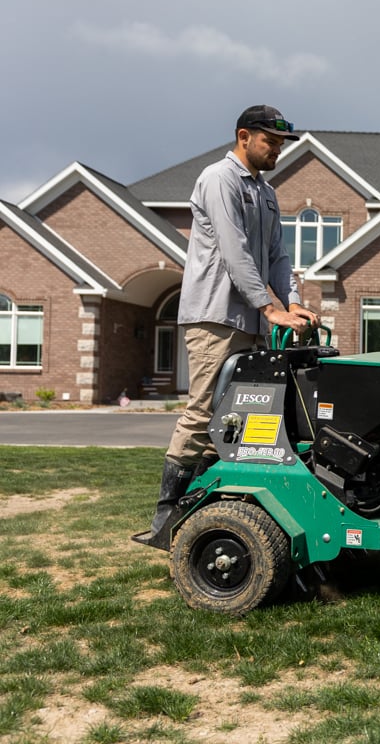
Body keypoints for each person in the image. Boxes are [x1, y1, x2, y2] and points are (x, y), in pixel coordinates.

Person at [132, 105, 319, 549]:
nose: (277, 151)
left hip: (252, 320)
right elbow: (234, 251)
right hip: (215, 316)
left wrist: (292, 301)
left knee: (233, 419)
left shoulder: (267, 193)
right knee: (202, 414)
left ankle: (203, 512)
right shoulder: (219, 178)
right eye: (269, 142)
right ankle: (165, 520)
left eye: (280, 144)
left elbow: (276, 256)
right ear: (243, 136)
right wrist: (270, 309)